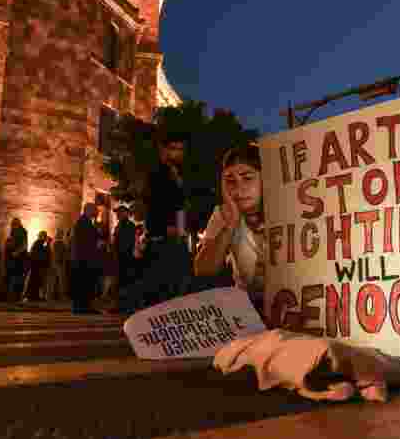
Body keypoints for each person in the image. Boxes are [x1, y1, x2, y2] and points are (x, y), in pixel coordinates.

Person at [120, 129, 190, 312]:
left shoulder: (179, 175)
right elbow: (153, 206)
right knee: (159, 297)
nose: (178, 153)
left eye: (181, 149)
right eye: (174, 149)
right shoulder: (156, 174)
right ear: (163, 151)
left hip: (176, 240)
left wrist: (182, 230)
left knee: (176, 293)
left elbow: (180, 207)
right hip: (162, 241)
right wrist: (165, 228)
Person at [194, 143, 265, 310]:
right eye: (230, 181)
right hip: (249, 309)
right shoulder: (223, 214)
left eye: (247, 178)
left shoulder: (291, 206)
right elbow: (203, 269)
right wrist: (231, 224)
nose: (238, 188)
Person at [70, 202, 105, 314]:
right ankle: (83, 307)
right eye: (95, 210)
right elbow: (86, 241)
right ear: (88, 210)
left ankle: (82, 306)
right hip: (84, 259)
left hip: (83, 258)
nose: (97, 212)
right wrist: (97, 243)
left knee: (84, 283)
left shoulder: (85, 222)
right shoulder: (84, 222)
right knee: (84, 283)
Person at [3, 218, 28, 302]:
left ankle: (16, 296)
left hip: (19, 259)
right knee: (14, 277)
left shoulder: (22, 231)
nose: (12, 226)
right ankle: (13, 296)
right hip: (14, 259)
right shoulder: (14, 231)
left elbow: (24, 245)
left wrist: (17, 252)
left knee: (18, 278)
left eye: (13, 225)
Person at [25, 231, 51, 301]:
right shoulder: (39, 243)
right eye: (44, 236)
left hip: (36, 265)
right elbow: (43, 253)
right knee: (36, 281)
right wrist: (48, 244)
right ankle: (33, 296)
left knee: (35, 281)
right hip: (37, 265)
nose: (45, 238)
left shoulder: (38, 243)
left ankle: (33, 296)